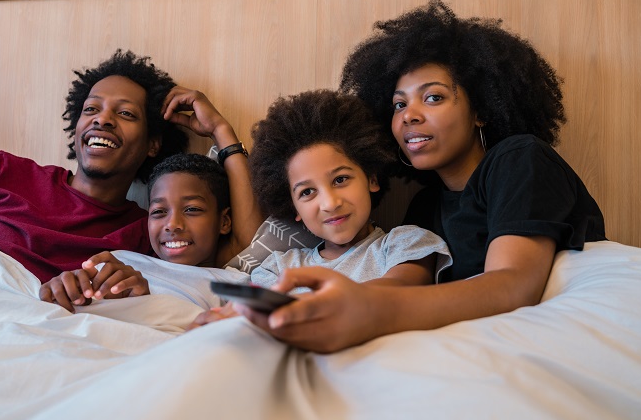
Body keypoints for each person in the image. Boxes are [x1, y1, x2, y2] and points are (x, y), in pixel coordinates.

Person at [235, 0, 606, 353]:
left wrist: (367, 309)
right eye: (399, 104)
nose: (409, 115)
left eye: (433, 97)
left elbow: (513, 287)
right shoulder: (426, 206)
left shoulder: (520, 159)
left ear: (482, 109)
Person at [0, 50, 262, 283]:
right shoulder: (6, 171)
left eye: (125, 113)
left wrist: (221, 131)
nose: (101, 119)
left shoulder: (149, 230)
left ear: (153, 143)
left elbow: (245, 244)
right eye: (90, 109)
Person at [189, 90, 450, 327]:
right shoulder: (279, 267)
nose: (330, 203)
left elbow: (397, 291)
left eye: (340, 180)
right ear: (294, 209)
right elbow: (256, 317)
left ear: (371, 179)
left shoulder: (407, 244)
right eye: (307, 192)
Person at [39, 153, 244, 312]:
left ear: (224, 221)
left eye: (191, 209)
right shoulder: (119, 262)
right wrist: (64, 288)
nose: (172, 224)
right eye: (159, 212)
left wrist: (145, 302)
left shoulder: (231, 285)